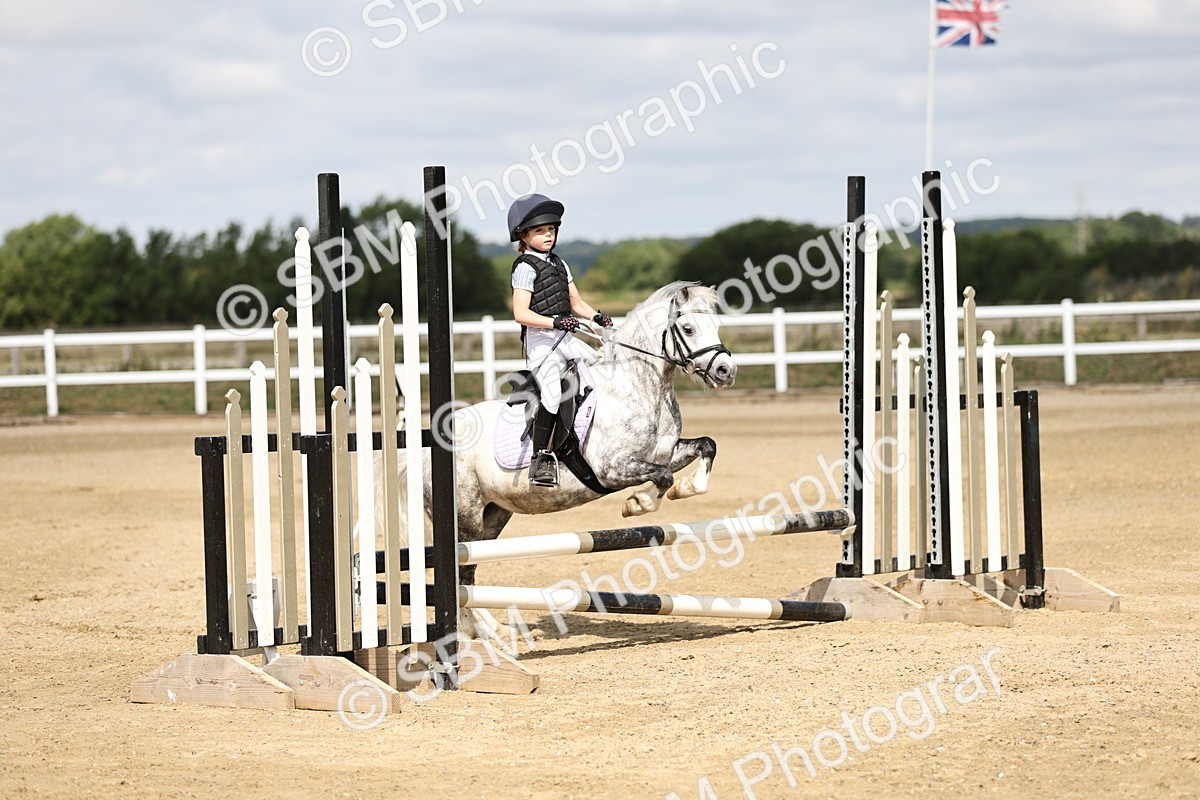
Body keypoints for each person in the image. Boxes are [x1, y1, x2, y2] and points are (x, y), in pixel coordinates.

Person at [508, 193, 613, 487]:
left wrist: (597, 318)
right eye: (540, 231)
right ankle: (541, 457)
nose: (548, 236)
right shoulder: (525, 267)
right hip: (541, 340)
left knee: (602, 367)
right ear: (524, 235)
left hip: (565, 334)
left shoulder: (559, 263)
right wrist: (554, 321)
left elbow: (576, 302)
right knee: (553, 392)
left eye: (551, 230)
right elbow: (520, 313)